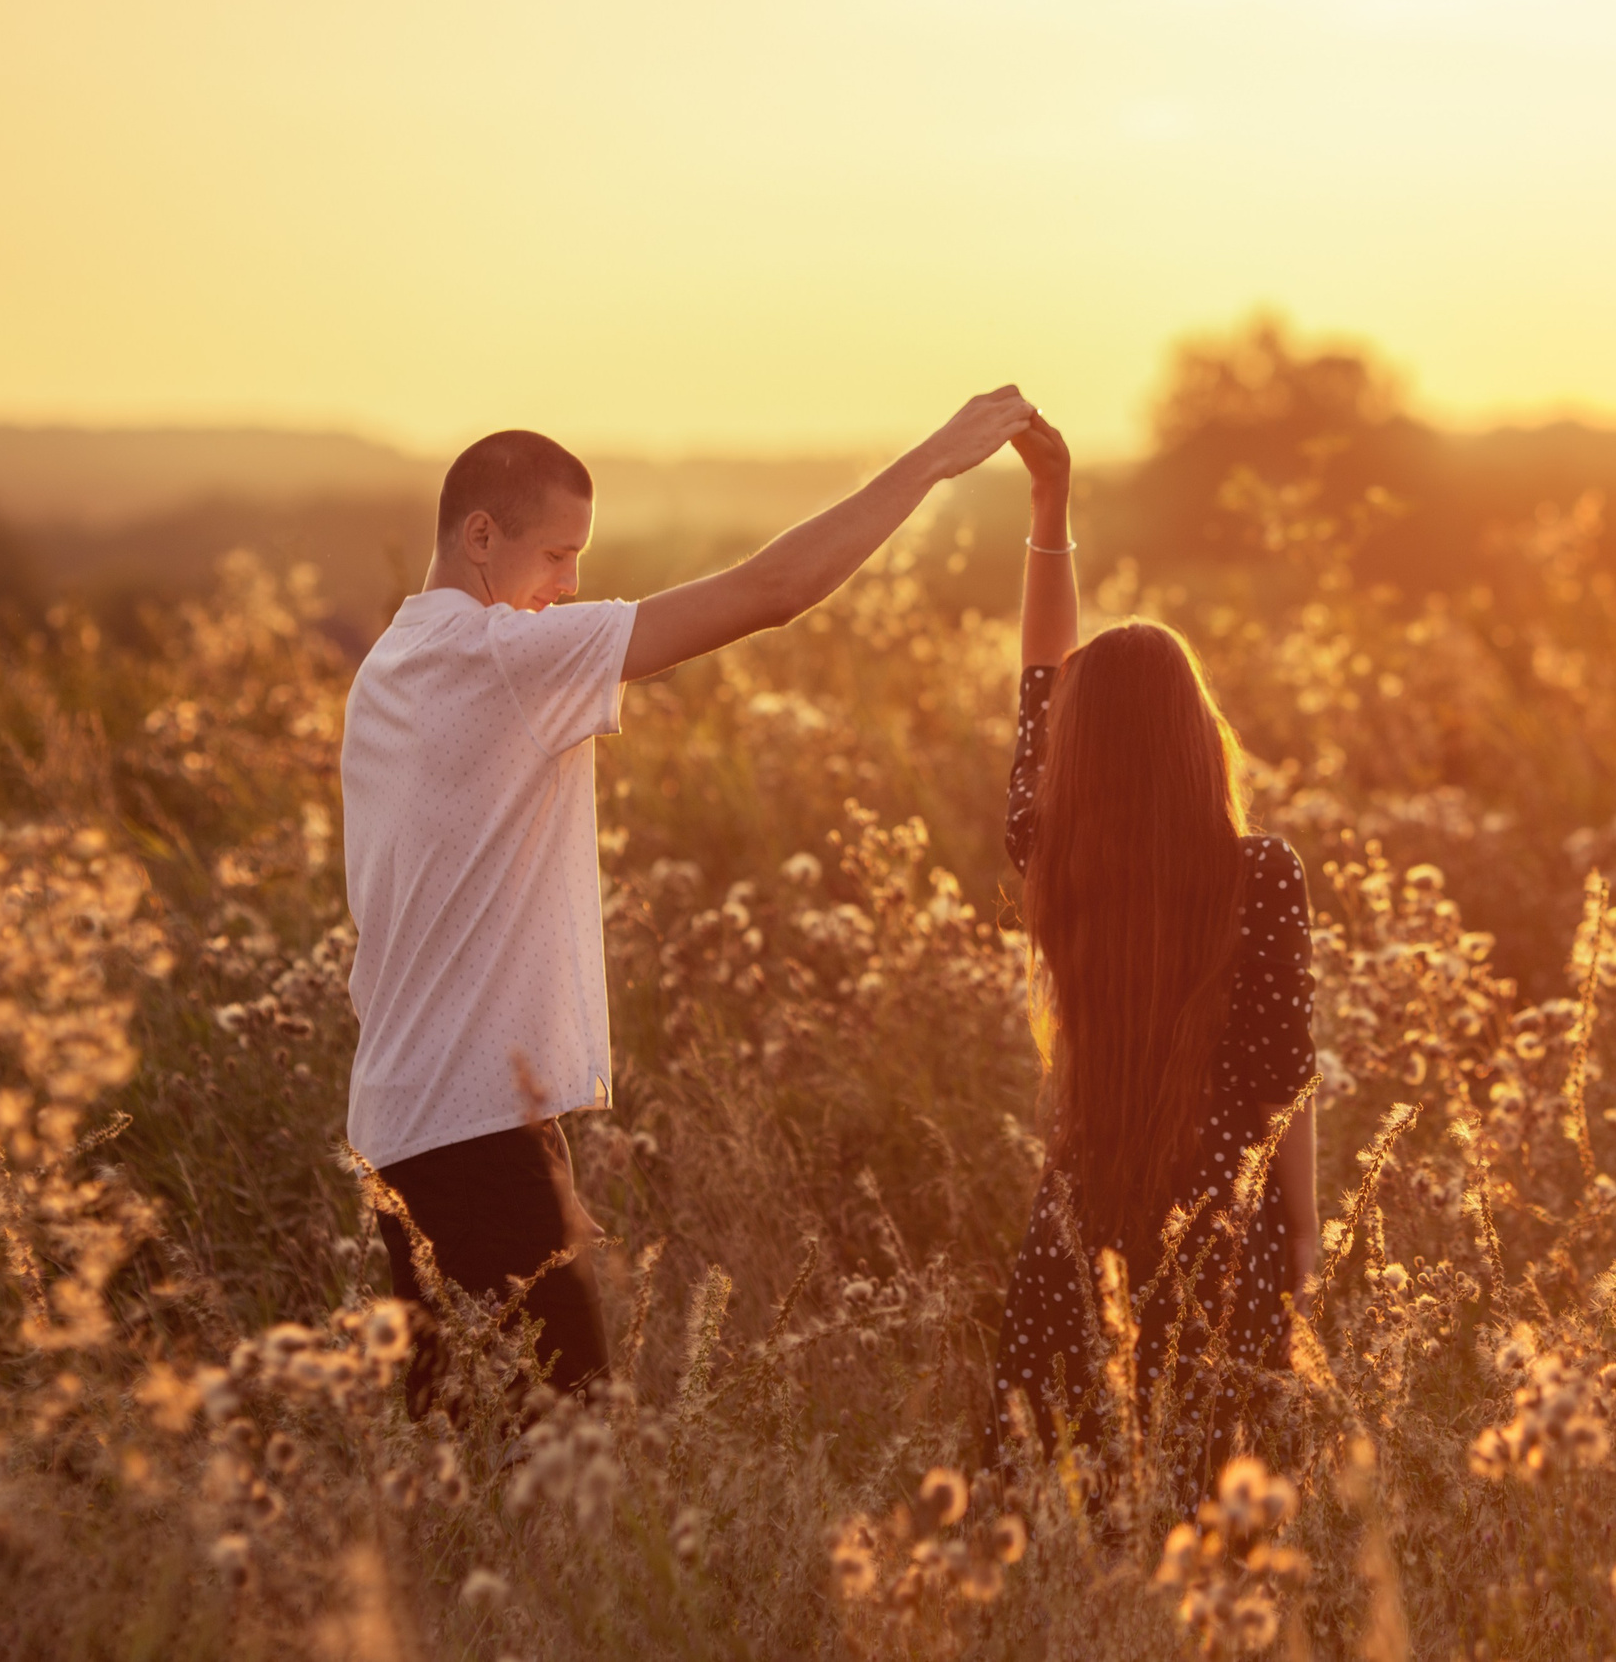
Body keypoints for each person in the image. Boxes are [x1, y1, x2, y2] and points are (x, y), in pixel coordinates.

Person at [341, 389, 1037, 1415]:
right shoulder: (499, 657)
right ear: (479, 535)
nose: (570, 585)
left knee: (468, 1464)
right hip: (471, 1128)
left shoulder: (391, 662)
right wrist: (934, 460)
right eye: (555, 555)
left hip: (407, 1118)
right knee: (563, 1466)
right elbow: (773, 589)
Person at [984, 412, 1319, 1476]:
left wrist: (1050, 509)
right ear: (1197, 732)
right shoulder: (1257, 873)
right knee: (1221, 1507)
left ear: (1075, 750)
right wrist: (1303, 1239)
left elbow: (1043, 678)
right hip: (1229, 1233)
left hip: (1084, 1217)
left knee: (1059, 1489)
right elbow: (1284, 1083)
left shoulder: (1055, 855)